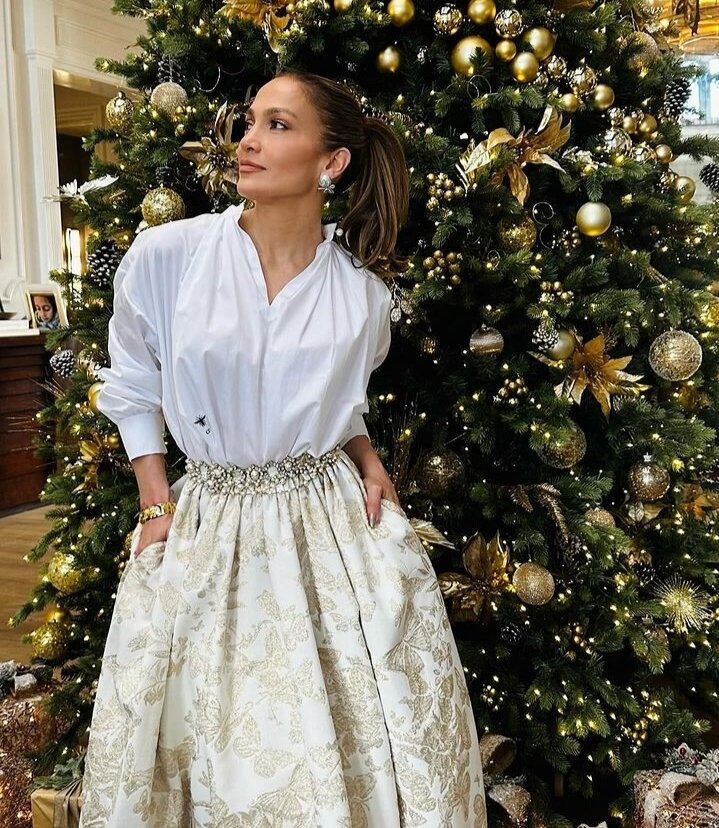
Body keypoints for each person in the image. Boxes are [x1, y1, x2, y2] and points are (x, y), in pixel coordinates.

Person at [78, 70, 487, 827]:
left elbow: (333, 401)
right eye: (249, 122)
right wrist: (155, 503)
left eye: (277, 125)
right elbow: (133, 385)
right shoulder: (170, 256)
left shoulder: (362, 293)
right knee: (207, 736)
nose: (248, 141)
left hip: (329, 528)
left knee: (349, 731)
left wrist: (365, 455)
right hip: (210, 525)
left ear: (332, 162)